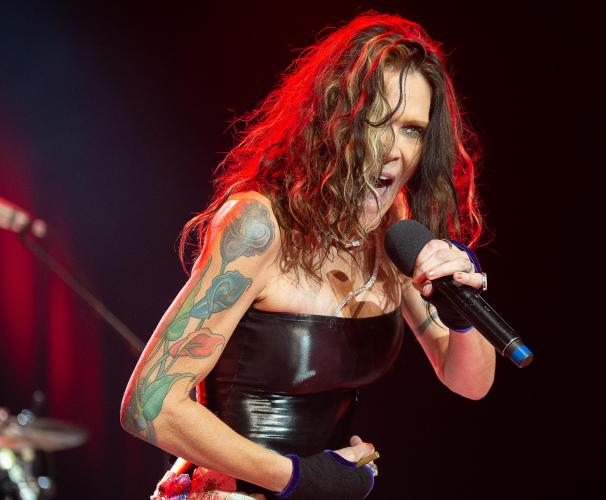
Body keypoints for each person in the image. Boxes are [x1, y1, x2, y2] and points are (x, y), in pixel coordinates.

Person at [120, 11, 496, 499]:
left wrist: (463, 313)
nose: (394, 150)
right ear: (333, 121)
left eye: (413, 130)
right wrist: (302, 477)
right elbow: (149, 405)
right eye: (376, 121)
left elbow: (469, 381)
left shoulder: (394, 230)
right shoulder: (259, 225)